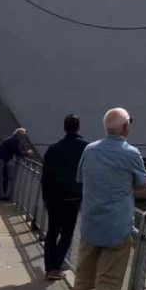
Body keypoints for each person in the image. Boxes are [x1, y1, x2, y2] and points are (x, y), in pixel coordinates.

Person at [70, 108, 146, 290]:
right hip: (117, 229)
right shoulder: (131, 153)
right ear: (125, 127)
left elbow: (81, 178)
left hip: (90, 226)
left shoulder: (90, 150)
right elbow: (143, 185)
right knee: (103, 288)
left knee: (80, 285)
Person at [42, 114, 88, 281]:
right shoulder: (86, 148)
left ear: (64, 127)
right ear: (79, 127)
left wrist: (45, 197)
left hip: (54, 197)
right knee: (67, 233)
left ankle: (49, 267)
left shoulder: (53, 149)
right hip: (73, 197)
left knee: (52, 232)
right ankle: (56, 266)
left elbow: (45, 176)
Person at [0, 128, 31, 201]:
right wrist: (27, 153)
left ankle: (0, 195)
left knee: (3, 178)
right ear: (19, 135)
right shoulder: (14, 141)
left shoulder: (11, 139)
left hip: (1, 160)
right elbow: (18, 152)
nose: (24, 137)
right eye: (23, 135)